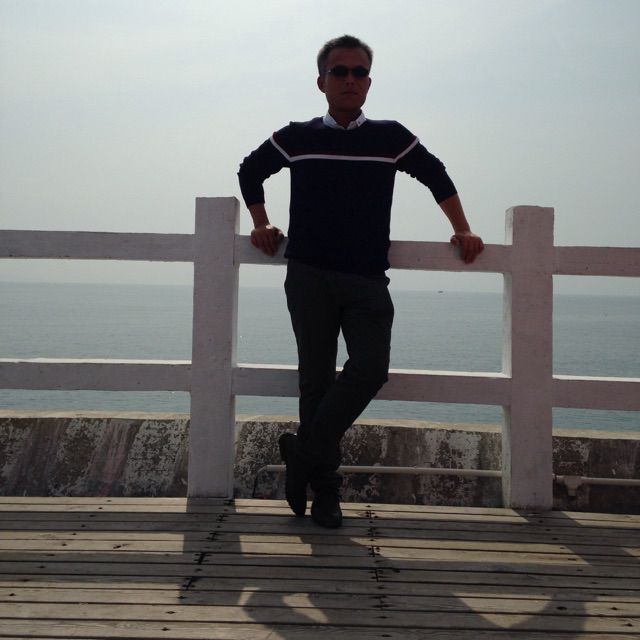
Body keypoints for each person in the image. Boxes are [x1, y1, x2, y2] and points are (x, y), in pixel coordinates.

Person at [238, 35, 484, 528]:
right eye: (340, 71)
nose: (350, 80)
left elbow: (436, 176)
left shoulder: (390, 137)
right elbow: (251, 170)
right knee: (316, 381)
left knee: (370, 369)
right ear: (322, 81)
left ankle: (302, 453)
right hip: (308, 276)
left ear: (369, 82)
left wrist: (462, 228)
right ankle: (326, 493)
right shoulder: (298, 136)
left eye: (359, 72)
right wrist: (261, 222)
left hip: (367, 279)